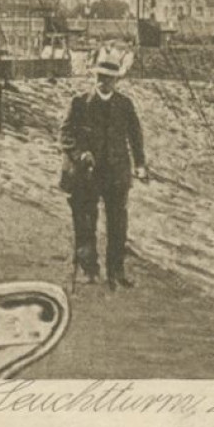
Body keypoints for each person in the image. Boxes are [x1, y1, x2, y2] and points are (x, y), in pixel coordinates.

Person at [60, 48, 147, 290]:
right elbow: (66, 135)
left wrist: (140, 164)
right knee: (86, 222)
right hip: (88, 174)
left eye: (109, 78)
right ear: (94, 77)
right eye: (100, 77)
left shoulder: (125, 105)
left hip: (117, 173)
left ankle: (116, 271)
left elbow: (135, 136)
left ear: (116, 80)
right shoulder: (80, 103)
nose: (104, 82)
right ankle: (89, 270)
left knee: (118, 224)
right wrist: (80, 154)